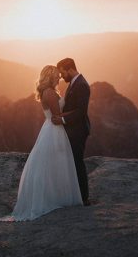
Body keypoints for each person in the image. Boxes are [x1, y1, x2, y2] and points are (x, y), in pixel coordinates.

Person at [0, 65, 83, 222]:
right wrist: (77, 113)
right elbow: (56, 117)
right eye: (56, 75)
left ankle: (55, 196)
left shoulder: (47, 92)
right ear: (50, 76)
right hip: (54, 130)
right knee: (56, 163)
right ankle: (55, 198)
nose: (59, 78)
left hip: (50, 130)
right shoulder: (50, 93)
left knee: (53, 164)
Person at [52, 58, 91, 205]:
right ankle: (76, 195)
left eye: (62, 73)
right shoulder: (74, 83)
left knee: (77, 163)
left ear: (69, 69)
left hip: (78, 130)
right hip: (73, 129)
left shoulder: (81, 85)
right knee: (73, 162)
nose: (61, 77)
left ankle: (83, 198)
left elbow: (81, 111)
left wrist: (62, 120)